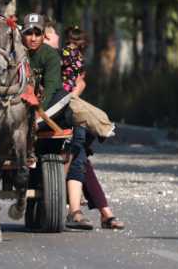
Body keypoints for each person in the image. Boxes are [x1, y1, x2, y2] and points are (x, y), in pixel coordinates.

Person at [20, 13, 92, 230]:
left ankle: (74, 205)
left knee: (65, 101)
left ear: (42, 35)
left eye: (37, 33)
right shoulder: (15, 54)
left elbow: (52, 86)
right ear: (21, 35)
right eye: (28, 33)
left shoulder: (50, 56)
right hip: (16, 106)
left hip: (43, 110)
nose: (32, 38)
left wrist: (37, 108)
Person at [59, 26, 124, 230]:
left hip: (68, 107)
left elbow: (79, 83)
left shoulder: (62, 55)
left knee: (79, 154)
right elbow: (78, 83)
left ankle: (91, 210)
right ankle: (97, 211)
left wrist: (72, 95)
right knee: (79, 155)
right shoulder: (60, 56)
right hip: (61, 108)